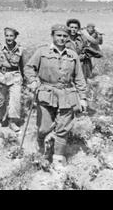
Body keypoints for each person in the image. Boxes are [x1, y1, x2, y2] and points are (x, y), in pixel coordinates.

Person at [24, 24, 87, 169]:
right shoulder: (42, 51)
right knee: (44, 127)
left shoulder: (73, 55)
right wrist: (33, 81)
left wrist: (83, 97)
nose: (62, 38)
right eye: (59, 35)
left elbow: (79, 78)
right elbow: (29, 68)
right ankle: (41, 144)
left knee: (63, 128)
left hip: (67, 94)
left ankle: (58, 158)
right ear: (52, 35)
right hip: (46, 93)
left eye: (65, 36)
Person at [0, 27, 25, 132]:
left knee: (15, 100)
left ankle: (12, 122)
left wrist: (24, 78)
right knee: (0, 100)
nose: (9, 38)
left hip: (15, 77)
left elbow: (22, 65)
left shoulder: (20, 49)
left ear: (15, 37)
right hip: (1, 76)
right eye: (7, 35)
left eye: (11, 36)